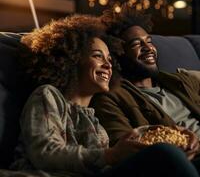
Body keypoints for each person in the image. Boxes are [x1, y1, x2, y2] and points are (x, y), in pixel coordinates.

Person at [6, 14, 199, 177]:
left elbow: (121, 148)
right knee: (164, 153)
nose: (108, 65)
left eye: (109, 59)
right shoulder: (48, 96)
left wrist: (176, 135)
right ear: (72, 59)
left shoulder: (94, 119)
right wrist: (109, 155)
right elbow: (44, 152)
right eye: (98, 56)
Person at [90, 4, 200, 169]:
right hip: (186, 159)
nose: (148, 48)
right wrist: (180, 143)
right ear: (119, 54)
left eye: (149, 41)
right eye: (136, 44)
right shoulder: (111, 98)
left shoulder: (180, 80)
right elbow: (126, 149)